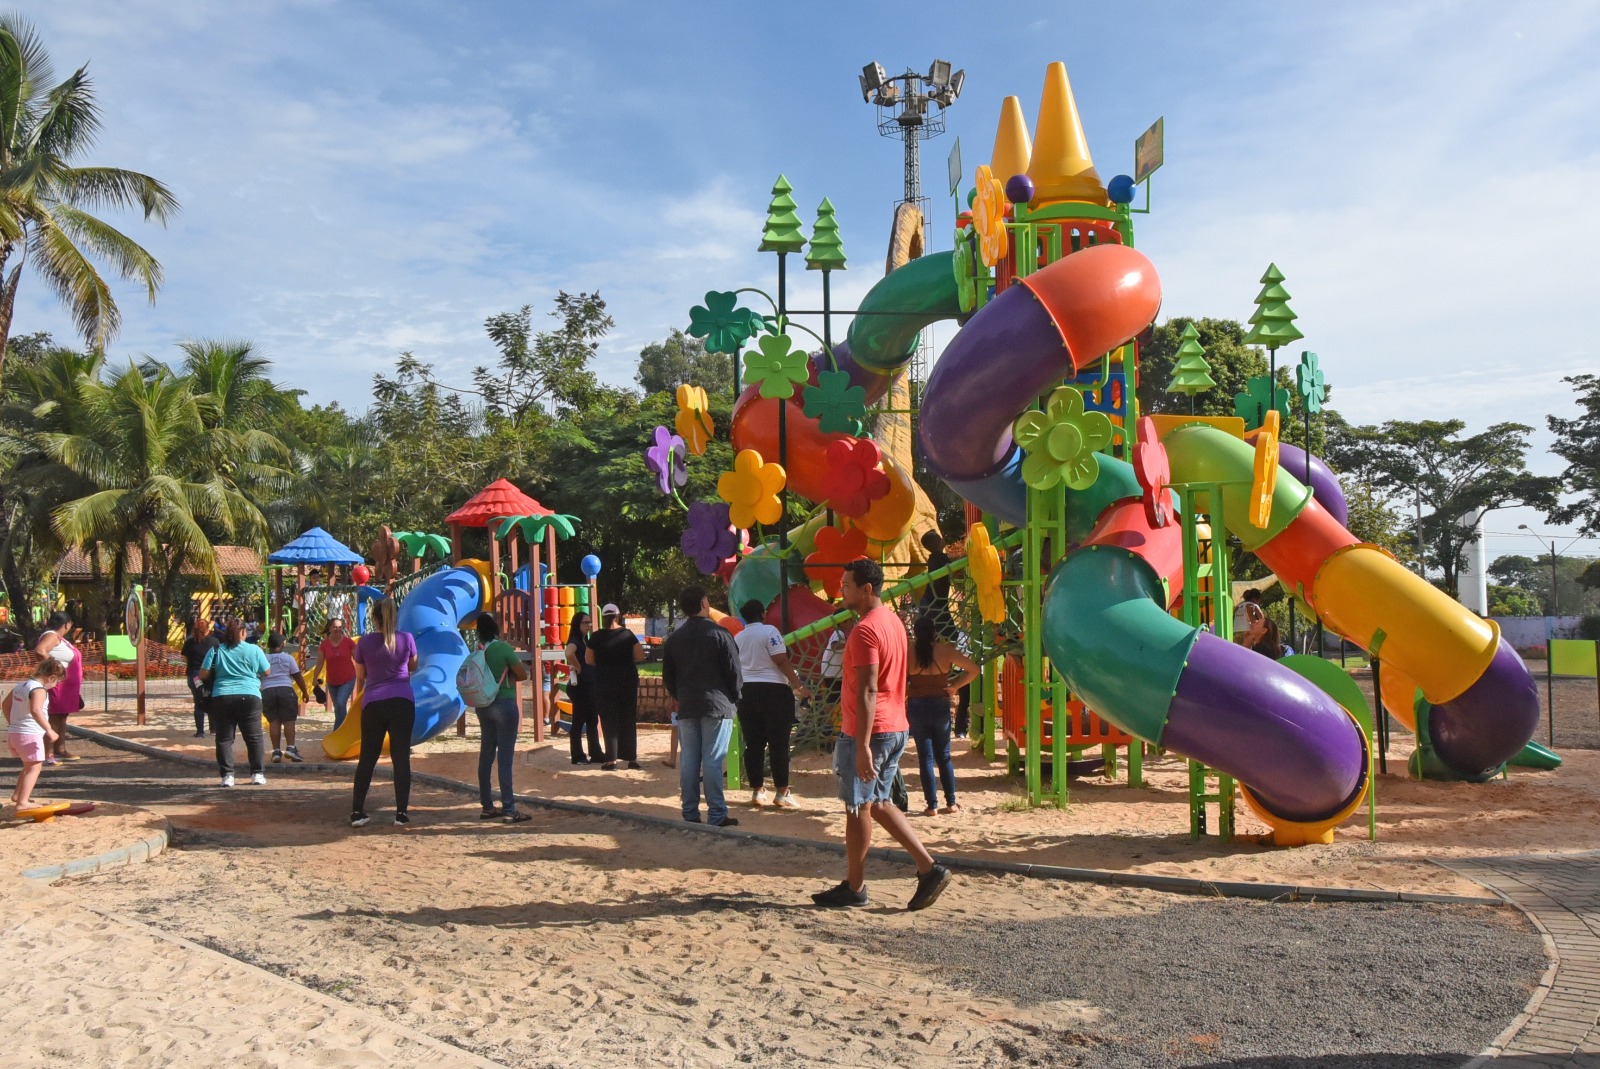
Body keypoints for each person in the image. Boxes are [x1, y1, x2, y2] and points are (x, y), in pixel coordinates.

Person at [812, 559, 951, 912]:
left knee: (858, 806)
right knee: (879, 802)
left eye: (846, 585)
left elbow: (868, 689)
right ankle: (928, 868)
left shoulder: (865, 630)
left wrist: (861, 745)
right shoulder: (893, 621)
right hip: (894, 724)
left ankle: (856, 886)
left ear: (866, 588)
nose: (841, 590)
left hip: (870, 730)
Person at [662, 586, 742, 828]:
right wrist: (735, 697)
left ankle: (690, 812)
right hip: (717, 704)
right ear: (704, 603)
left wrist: (680, 696)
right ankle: (716, 813)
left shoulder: (675, 639)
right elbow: (734, 671)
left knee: (689, 759)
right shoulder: (720, 634)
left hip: (687, 704)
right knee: (713, 759)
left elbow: (668, 676)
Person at [733, 598, 808, 810]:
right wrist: (798, 685)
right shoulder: (770, 632)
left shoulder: (738, 637)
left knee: (753, 744)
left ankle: (757, 789)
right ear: (763, 614)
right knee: (778, 743)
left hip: (747, 691)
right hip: (774, 690)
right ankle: (782, 791)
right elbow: (780, 659)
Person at [351, 597, 417, 827]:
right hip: (402, 701)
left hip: (374, 702)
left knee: (368, 757)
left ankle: (357, 811)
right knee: (401, 758)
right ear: (395, 616)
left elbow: (361, 675)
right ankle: (401, 813)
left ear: (373, 618)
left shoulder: (364, 642)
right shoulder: (407, 638)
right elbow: (413, 665)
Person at [907, 614, 979, 816]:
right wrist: (955, 686)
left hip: (917, 704)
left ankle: (931, 806)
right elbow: (973, 670)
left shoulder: (909, 652)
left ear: (915, 633)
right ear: (934, 632)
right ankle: (951, 803)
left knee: (925, 758)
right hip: (940, 703)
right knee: (944, 756)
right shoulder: (945, 651)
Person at [199, 617, 272, 787]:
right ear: (243, 632)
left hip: (222, 696)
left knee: (224, 739)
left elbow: (203, 674)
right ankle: (257, 774)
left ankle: (227, 776)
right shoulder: (254, 649)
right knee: (254, 737)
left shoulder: (216, 650)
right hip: (250, 695)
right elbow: (267, 671)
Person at [473, 612, 531, 823]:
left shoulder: (477, 651)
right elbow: (522, 674)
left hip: (483, 705)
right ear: (495, 629)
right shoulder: (503, 649)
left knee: (486, 756)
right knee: (505, 760)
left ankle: (487, 806)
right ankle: (509, 808)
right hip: (504, 703)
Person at [585, 603, 644, 771]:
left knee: (608, 718)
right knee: (628, 718)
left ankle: (611, 759)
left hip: (604, 682)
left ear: (603, 617)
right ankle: (631, 758)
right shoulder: (627, 635)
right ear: (617, 616)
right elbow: (640, 655)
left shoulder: (595, 637)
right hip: (627, 681)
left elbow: (589, 660)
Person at [6, 657, 65, 810]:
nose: (56, 685)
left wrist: (13, 723)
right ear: (51, 677)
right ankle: (22, 802)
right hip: (29, 734)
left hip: (15, 733)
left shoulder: (21, 685)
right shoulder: (39, 689)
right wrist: (49, 729)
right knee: (34, 768)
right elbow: (36, 710)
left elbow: (5, 704)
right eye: (57, 682)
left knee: (28, 766)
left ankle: (18, 795)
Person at [32, 611, 83, 763]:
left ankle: (60, 749)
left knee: (62, 717)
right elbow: (40, 651)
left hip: (67, 687)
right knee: (54, 717)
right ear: (67, 624)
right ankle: (48, 753)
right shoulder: (51, 636)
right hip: (57, 686)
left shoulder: (61, 639)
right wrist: (55, 669)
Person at [263, 632, 309, 764]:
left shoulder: (263, 658)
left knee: (274, 721)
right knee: (289, 720)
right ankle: (290, 748)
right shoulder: (288, 658)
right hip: (285, 689)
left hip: (267, 690)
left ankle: (276, 751)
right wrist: (305, 692)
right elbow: (297, 676)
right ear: (282, 645)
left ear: (268, 645)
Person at [563, 613, 603, 764]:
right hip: (580, 687)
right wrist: (578, 666)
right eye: (585, 622)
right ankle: (577, 755)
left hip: (589, 686)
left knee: (592, 720)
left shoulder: (584, 640)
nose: (588, 625)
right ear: (577, 625)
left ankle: (596, 753)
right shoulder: (575, 640)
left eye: (589, 622)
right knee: (578, 721)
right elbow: (569, 652)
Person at [315, 618, 358, 729]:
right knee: (338, 707)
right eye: (335, 627)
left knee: (340, 703)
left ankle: (338, 730)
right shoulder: (324, 645)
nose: (337, 629)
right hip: (332, 681)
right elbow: (320, 662)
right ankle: (343, 729)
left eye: (339, 627)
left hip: (348, 679)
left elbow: (358, 658)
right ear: (329, 628)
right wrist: (315, 678)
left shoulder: (349, 643)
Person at [181, 616, 219, 738]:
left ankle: (200, 731)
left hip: (194, 675)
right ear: (207, 629)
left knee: (198, 702)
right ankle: (213, 729)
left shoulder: (189, 643)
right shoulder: (214, 642)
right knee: (212, 700)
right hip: (210, 675)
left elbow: (185, 659)